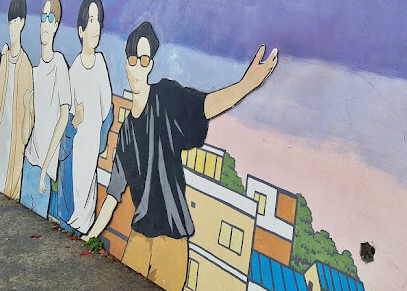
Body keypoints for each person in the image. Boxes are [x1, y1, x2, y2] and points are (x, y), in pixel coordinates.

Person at [82, 21, 278, 291]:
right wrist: (89, 235)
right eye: (133, 60)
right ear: (126, 64)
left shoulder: (166, 98)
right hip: (140, 235)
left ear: (150, 65)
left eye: (144, 60)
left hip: (172, 238)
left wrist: (247, 84)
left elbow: (204, 106)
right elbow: (114, 194)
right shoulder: (126, 130)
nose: (137, 67)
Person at [61, 0, 112, 233]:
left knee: (88, 205)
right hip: (77, 152)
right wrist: (77, 121)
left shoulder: (101, 64)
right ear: (81, 30)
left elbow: (107, 109)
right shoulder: (74, 71)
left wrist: (99, 141)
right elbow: (68, 120)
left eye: (98, 20)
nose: (96, 27)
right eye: (91, 20)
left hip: (91, 151)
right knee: (74, 204)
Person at [21, 0, 71, 219]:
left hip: (44, 168)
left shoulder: (59, 64)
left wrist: (45, 169)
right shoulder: (35, 71)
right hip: (29, 160)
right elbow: (31, 122)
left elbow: (63, 117)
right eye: (43, 17)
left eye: (51, 18)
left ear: (57, 25)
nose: (45, 23)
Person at [0, 0, 33, 199]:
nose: (12, 27)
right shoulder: (4, 60)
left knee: (9, 189)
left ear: (23, 23)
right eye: (10, 22)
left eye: (16, 21)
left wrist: (27, 110)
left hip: (14, 140)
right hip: (1, 133)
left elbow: (29, 116)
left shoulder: (26, 66)